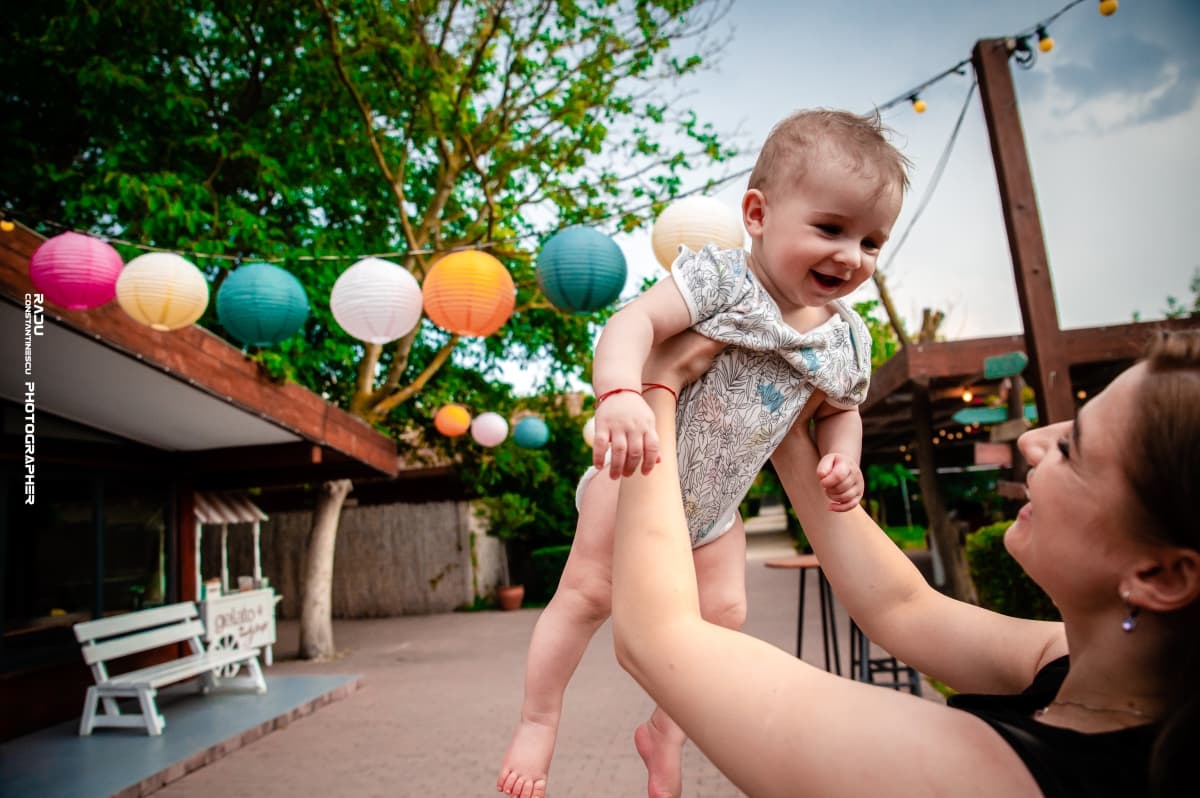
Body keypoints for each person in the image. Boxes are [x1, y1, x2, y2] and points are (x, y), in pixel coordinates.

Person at [497, 108, 909, 798]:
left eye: (872, 241)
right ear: (756, 213)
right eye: (831, 228)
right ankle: (539, 721)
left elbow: (842, 410)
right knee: (588, 595)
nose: (851, 255)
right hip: (632, 478)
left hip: (715, 511)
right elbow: (631, 322)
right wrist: (620, 394)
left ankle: (666, 731)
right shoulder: (720, 282)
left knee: (722, 616)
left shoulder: (845, 339)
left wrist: (844, 457)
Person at [610, 329, 1200, 798]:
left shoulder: (998, 780)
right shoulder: (1088, 672)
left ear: (1160, 577)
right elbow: (904, 607)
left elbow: (658, 636)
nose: (1033, 442)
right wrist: (786, 417)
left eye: (1073, 449)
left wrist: (657, 387)